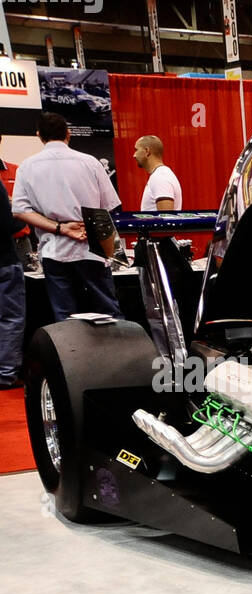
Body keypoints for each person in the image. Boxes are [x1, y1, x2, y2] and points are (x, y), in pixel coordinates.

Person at [12, 112, 121, 321]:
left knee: (65, 317)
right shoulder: (90, 162)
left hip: (54, 249)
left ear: (39, 136)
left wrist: (60, 228)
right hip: (92, 248)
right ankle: (117, 352)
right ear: (68, 134)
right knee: (108, 312)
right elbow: (108, 207)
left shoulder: (27, 166)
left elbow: (19, 210)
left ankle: (72, 354)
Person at [0, 155, 25, 389]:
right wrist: (22, 217)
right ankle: (6, 374)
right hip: (4, 258)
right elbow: (7, 223)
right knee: (10, 317)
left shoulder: (16, 170)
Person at [132, 134, 182, 212]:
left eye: (136, 150)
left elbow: (166, 219)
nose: (134, 155)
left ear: (147, 151)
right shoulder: (159, 175)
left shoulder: (161, 177)